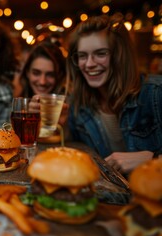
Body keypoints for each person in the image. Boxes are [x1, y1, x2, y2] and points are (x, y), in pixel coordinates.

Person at [66, 13, 162, 174]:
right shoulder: (79, 105)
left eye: (101, 53)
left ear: (119, 56)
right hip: (110, 198)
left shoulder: (155, 93)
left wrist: (152, 159)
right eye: (82, 56)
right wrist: (62, 127)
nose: (89, 64)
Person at [18, 40, 69, 138]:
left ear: (60, 75)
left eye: (50, 75)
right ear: (27, 73)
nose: (42, 82)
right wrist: (28, 120)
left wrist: (64, 126)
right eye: (36, 73)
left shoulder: (68, 106)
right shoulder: (18, 104)